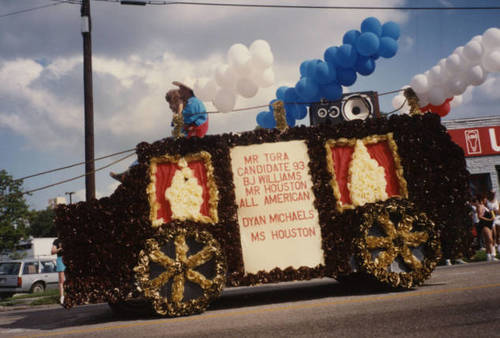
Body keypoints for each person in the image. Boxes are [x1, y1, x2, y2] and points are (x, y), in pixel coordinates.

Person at [477, 194, 497, 261]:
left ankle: (489, 255)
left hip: (490, 224)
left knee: (491, 239)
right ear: (482, 199)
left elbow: (492, 213)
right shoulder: (480, 206)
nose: (486, 200)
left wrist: (493, 215)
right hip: (484, 224)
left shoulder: (487, 206)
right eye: (485, 199)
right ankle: (491, 255)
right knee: (489, 239)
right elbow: (479, 216)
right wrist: (489, 220)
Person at [51, 237, 65, 304]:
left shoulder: (70, 238)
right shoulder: (57, 241)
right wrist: (59, 249)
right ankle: (62, 297)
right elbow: (52, 252)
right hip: (60, 259)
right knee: (61, 279)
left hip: (69, 258)